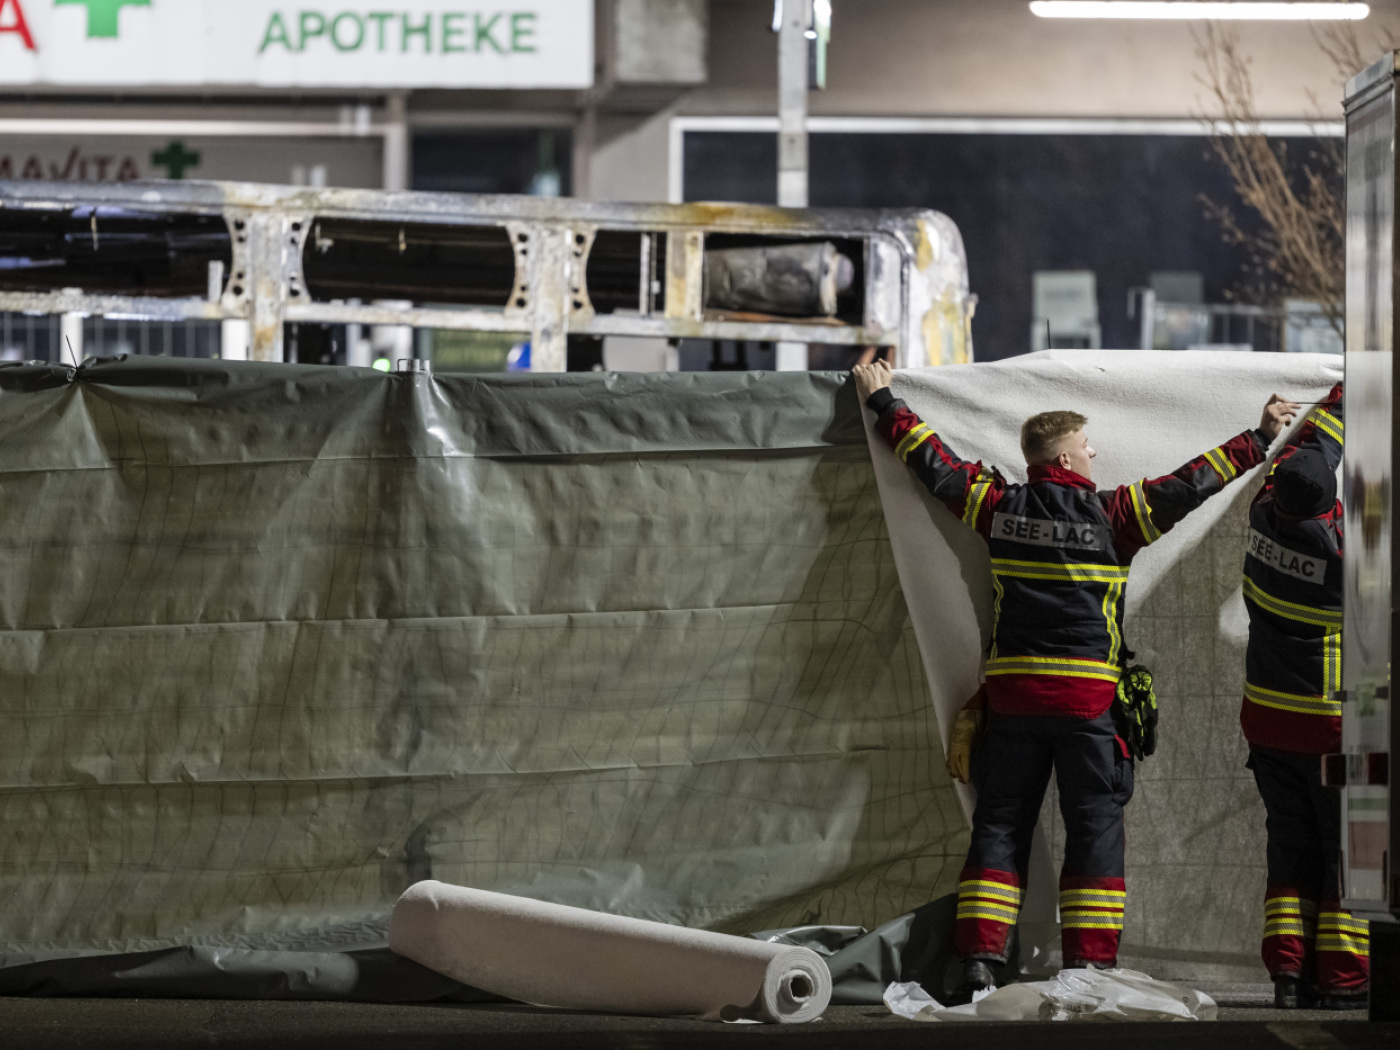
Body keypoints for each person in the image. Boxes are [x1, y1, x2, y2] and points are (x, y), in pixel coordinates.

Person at [851, 358, 1298, 999]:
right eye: (1087, 446)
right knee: (1094, 832)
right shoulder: (1116, 516)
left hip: (1013, 703)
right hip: (1089, 707)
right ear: (1064, 457)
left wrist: (884, 402)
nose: (1095, 454)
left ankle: (980, 960)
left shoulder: (996, 505)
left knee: (999, 826)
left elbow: (933, 464)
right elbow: (1191, 483)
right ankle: (1088, 968)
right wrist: (1258, 439)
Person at [1238, 382, 1365, 1009]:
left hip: (1267, 722)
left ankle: (1289, 976)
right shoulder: (1346, 559)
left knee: (1289, 848)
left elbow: (1305, 452)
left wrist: (1342, 396)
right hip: (1329, 728)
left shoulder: (1264, 514)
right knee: (1347, 852)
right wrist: (1358, 382)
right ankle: (1343, 979)